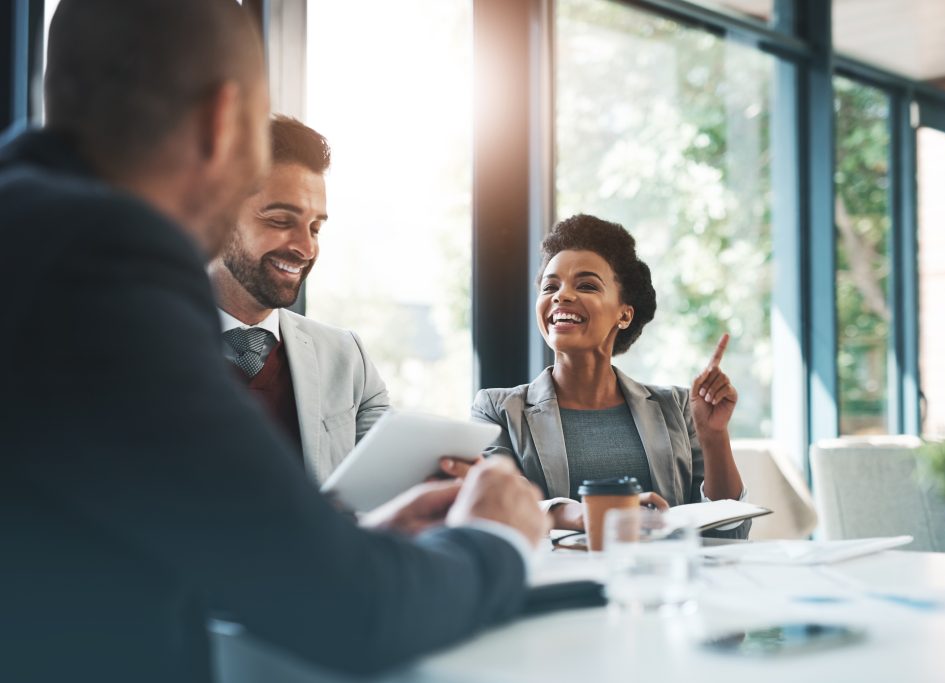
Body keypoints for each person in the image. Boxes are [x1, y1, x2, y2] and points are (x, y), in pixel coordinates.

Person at [0, 1, 548, 681]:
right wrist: (496, 539)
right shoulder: (99, 265)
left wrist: (339, 543)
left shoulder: (29, 226)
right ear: (222, 120)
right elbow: (351, 612)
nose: (305, 242)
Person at [467, 214, 750, 538]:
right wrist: (590, 515)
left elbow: (730, 536)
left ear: (624, 313)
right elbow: (496, 506)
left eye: (586, 285)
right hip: (557, 585)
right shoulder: (497, 409)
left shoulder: (678, 406)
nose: (561, 295)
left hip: (659, 581)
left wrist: (714, 436)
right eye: (550, 286)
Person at [209, 115, 388, 483]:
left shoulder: (347, 358)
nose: (306, 248)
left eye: (315, 228)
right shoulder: (135, 348)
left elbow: (391, 489)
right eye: (279, 221)